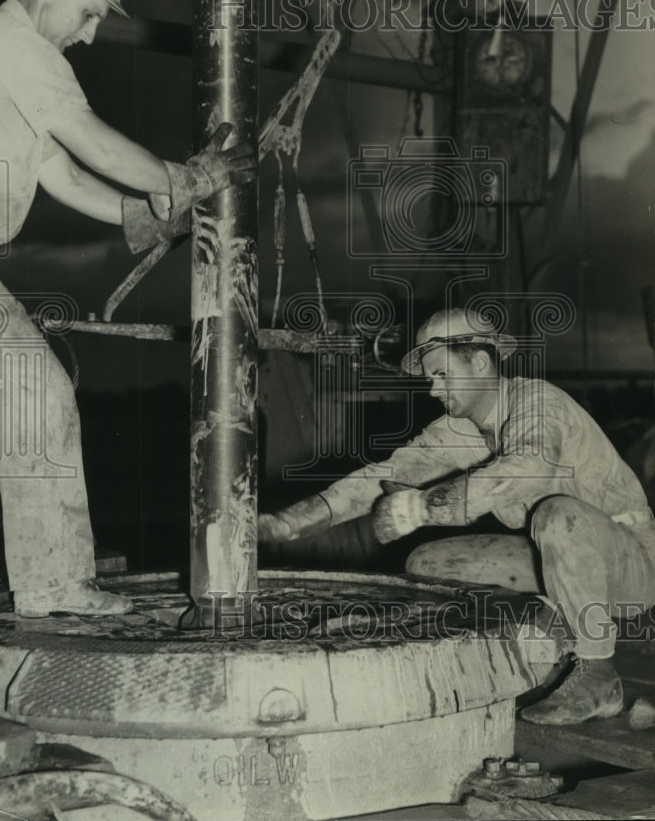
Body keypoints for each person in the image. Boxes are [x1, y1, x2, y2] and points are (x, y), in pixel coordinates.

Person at [0, 0, 254, 617]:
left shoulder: (11, 61)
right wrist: (185, 178)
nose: (90, 34)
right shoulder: (6, 43)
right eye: (90, 14)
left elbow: (66, 175)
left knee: (40, 403)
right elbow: (94, 143)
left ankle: (53, 587)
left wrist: (145, 214)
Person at [259, 307, 655, 725]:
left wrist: (422, 507)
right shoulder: (462, 430)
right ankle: (535, 650)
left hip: (630, 567)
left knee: (558, 515)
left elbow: (526, 468)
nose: (433, 389)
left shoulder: (538, 403)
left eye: (443, 374)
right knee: (429, 564)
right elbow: (382, 478)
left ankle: (600, 673)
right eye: (431, 378)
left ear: (481, 362)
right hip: (554, 566)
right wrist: (293, 522)